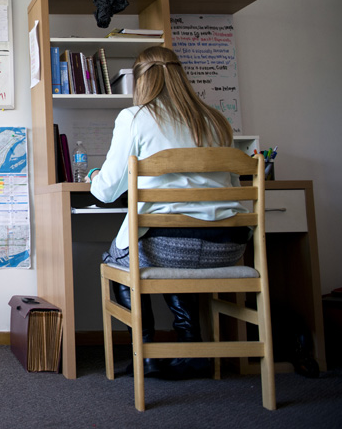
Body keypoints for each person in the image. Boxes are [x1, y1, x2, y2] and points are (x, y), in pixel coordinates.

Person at [86, 46, 249, 379]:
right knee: (169, 249)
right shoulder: (217, 120)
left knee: (120, 257)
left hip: (172, 248)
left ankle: (144, 354)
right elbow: (232, 181)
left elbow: (105, 192)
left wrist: (92, 177)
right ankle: (192, 347)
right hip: (229, 248)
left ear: (141, 81)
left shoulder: (134, 117)